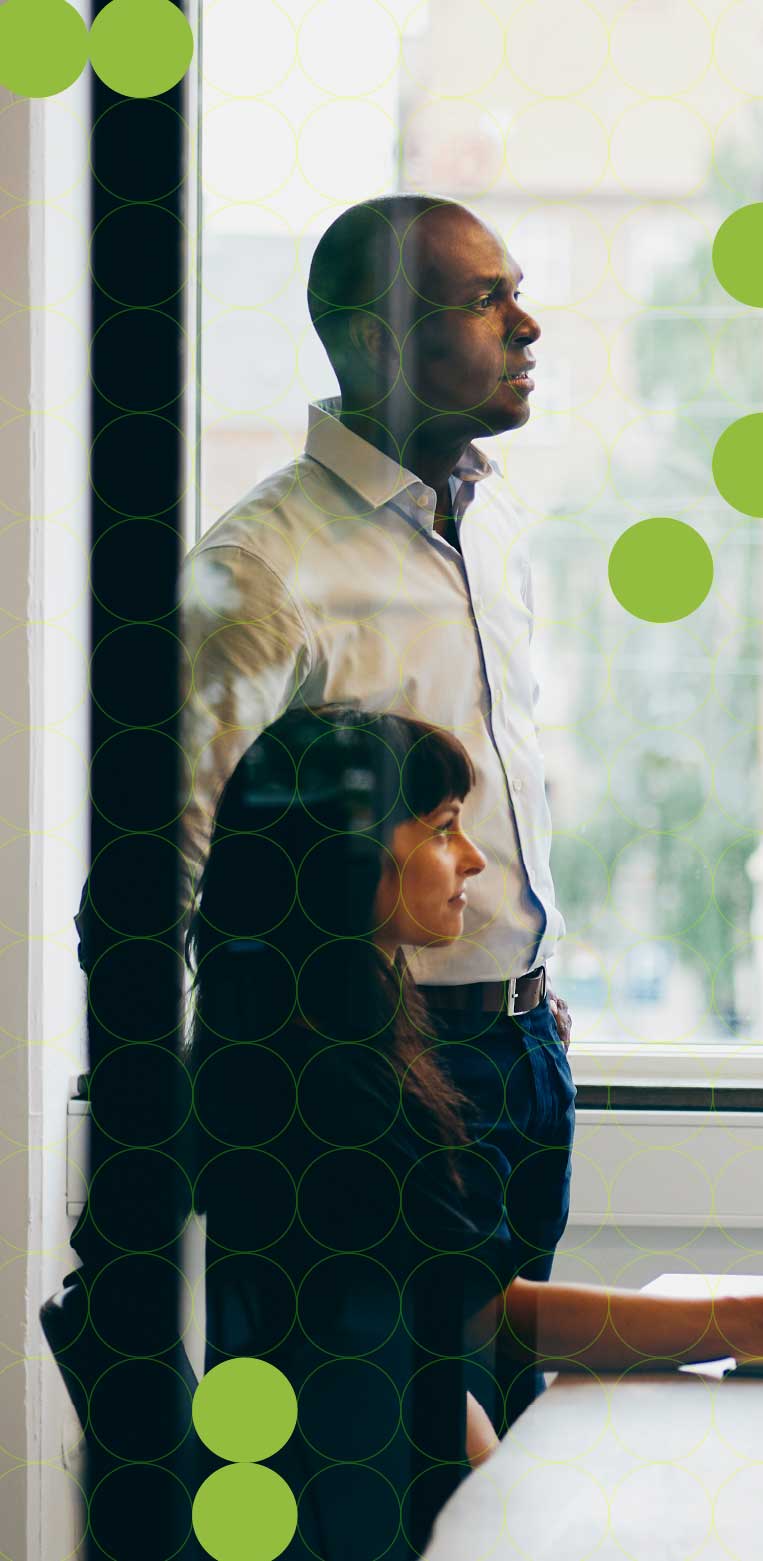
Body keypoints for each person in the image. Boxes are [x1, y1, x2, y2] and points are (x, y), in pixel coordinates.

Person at [191, 708, 763, 1555]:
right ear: (353, 857)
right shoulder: (326, 1081)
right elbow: (487, 1317)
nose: (476, 857)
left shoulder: (288, 1034)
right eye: (444, 828)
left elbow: (432, 1325)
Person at [95, 194, 578, 1434]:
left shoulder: (499, 519)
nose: (527, 326)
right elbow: (160, 875)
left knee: (510, 1443)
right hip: (364, 1086)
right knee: (387, 1460)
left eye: (516, 289)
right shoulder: (259, 569)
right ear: (371, 342)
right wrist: (210, 1121)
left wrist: (536, 993)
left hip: (524, 1054)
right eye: (485, 301)